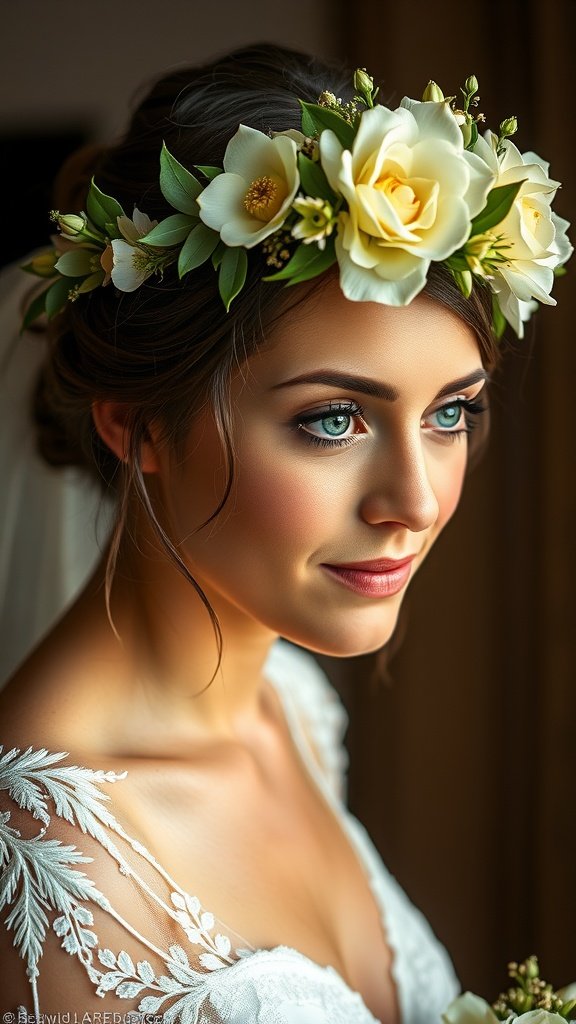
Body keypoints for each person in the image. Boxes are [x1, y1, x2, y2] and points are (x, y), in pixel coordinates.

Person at [0, 43, 570, 1024]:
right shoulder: (49, 862)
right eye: (334, 420)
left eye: (450, 413)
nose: (420, 501)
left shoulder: (291, 706)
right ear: (135, 422)